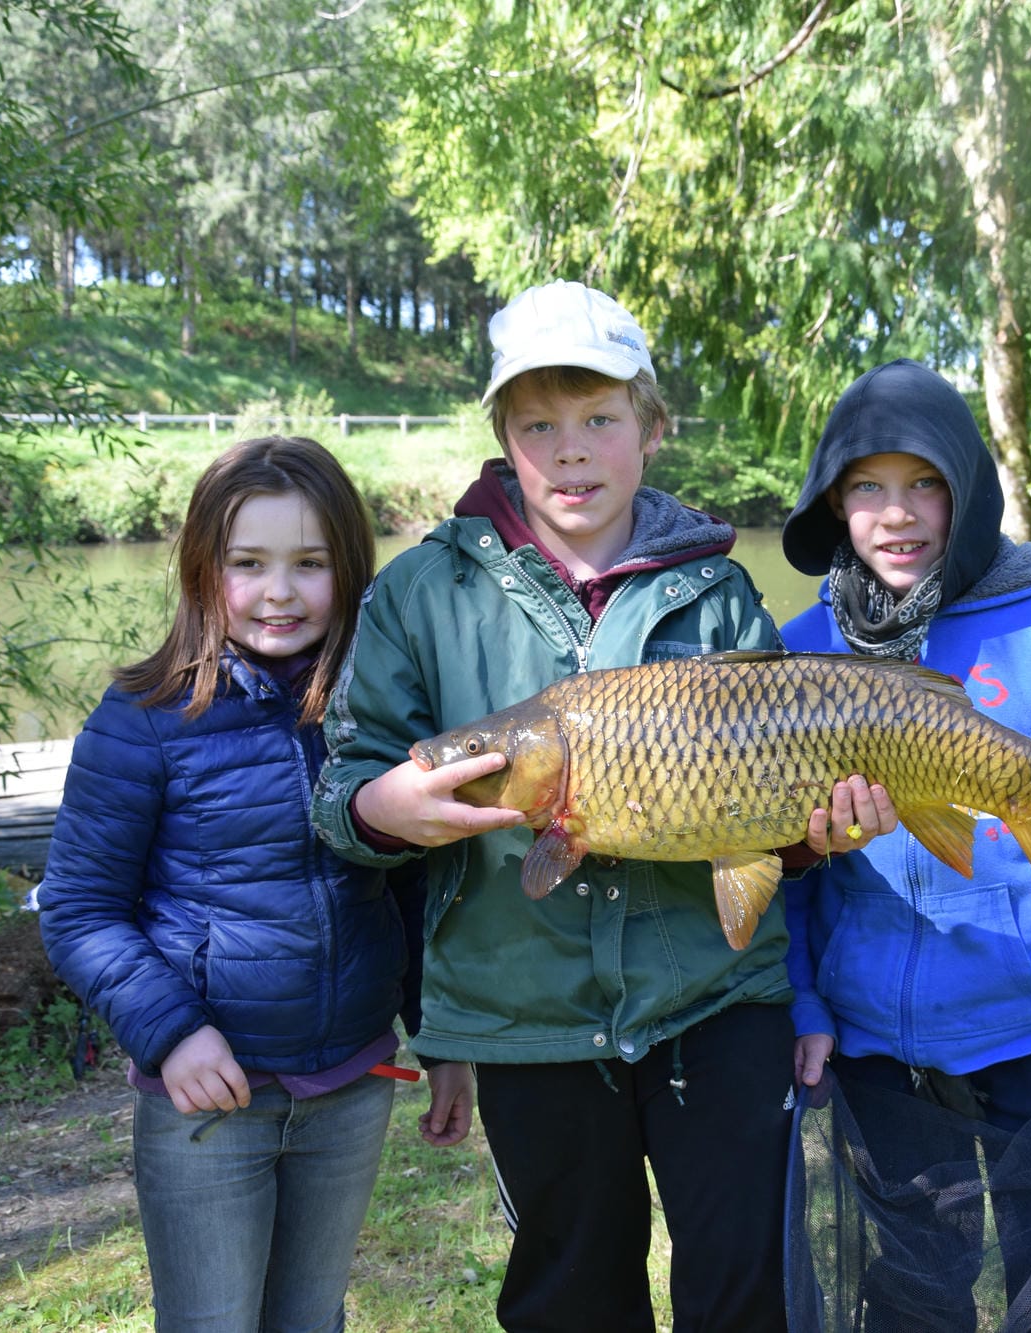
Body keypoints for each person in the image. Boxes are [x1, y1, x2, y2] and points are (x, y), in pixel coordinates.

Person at [310, 280, 889, 1333]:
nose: (569, 451)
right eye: (538, 425)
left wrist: (812, 838)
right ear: (502, 435)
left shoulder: (717, 593)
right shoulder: (421, 594)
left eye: (599, 419)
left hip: (717, 999)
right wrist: (385, 807)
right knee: (571, 1298)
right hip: (525, 1015)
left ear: (650, 427)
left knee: (744, 1287)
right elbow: (342, 790)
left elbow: (773, 825)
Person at [777, 360, 1031, 1329]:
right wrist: (805, 1001)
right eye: (866, 487)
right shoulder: (798, 648)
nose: (897, 513)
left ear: (968, 488)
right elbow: (783, 869)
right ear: (832, 501)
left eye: (924, 483)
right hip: (875, 1041)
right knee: (913, 1294)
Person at [40, 436, 445, 1333]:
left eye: (311, 563)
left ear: (350, 569)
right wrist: (173, 1033)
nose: (279, 592)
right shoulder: (143, 719)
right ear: (202, 568)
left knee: (311, 1318)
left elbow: (411, 890)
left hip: (351, 1085)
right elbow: (78, 909)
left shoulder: (378, 717)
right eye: (248, 563)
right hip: (207, 1098)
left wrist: (442, 1036)